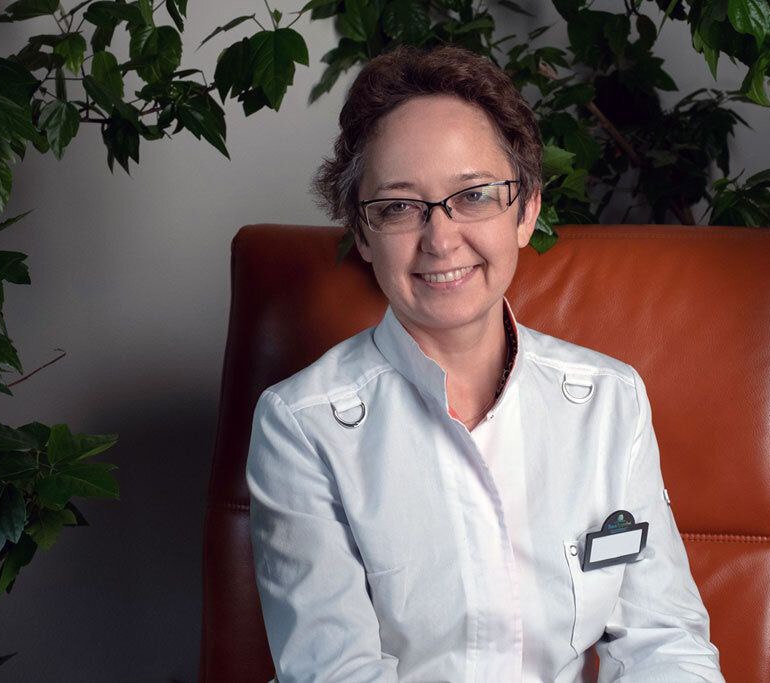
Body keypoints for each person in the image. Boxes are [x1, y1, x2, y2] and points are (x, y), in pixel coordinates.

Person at [246, 43, 724, 682]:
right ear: (361, 233)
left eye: (473, 196)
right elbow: (337, 674)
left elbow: (666, 645)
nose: (441, 240)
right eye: (398, 207)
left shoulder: (612, 401)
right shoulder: (302, 426)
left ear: (526, 211)